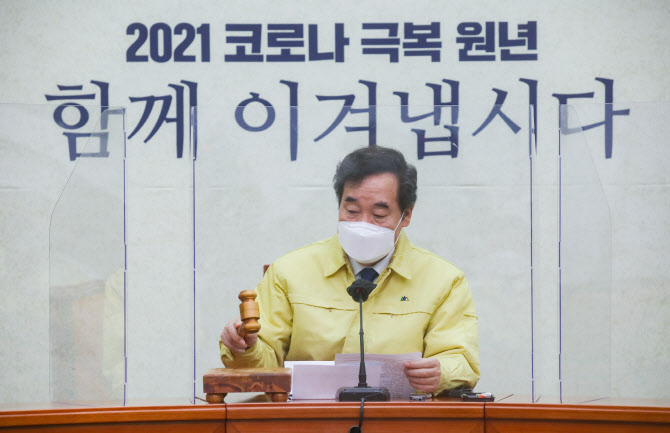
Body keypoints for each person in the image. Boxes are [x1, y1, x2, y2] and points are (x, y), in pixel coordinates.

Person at [220, 146, 479, 394]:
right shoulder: (289, 272)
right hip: (307, 417)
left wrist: (440, 373)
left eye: (379, 215)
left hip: (401, 417)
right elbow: (263, 368)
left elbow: (462, 360)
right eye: (352, 211)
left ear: (406, 215)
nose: (363, 224)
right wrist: (245, 348)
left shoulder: (444, 281)